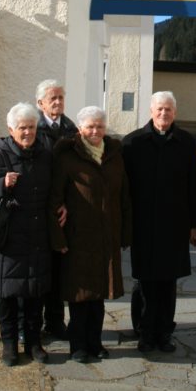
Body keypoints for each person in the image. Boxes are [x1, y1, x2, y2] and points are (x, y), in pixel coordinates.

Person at [0, 103, 53, 367]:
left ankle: (33, 343)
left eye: (31, 127)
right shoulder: (0, 155)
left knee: (34, 295)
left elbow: (54, 187)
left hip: (37, 238)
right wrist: (1, 184)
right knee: (6, 299)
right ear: (11, 130)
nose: (28, 132)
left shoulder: (45, 154)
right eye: (22, 128)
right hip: (7, 240)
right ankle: (9, 346)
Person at [49, 106, 131, 363]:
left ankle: (95, 343)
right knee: (80, 295)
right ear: (80, 129)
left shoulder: (114, 155)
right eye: (90, 127)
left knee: (99, 295)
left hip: (107, 236)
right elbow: (55, 198)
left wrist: (125, 232)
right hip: (78, 237)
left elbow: (124, 196)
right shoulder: (68, 156)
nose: (95, 131)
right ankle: (78, 346)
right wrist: (58, 236)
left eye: (100, 127)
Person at [122, 91, 196, 353]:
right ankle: (144, 332)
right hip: (143, 224)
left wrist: (194, 223)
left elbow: (193, 185)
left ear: (175, 113)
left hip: (174, 224)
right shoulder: (132, 143)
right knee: (144, 280)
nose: (163, 114)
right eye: (159, 109)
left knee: (168, 282)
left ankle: (164, 332)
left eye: (168, 110)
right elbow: (124, 188)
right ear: (151, 111)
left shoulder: (186, 142)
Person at [35, 79, 78, 339]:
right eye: (53, 98)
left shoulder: (72, 130)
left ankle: (55, 321)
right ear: (40, 103)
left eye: (61, 98)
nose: (58, 102)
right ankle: (31, 323)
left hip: (63, 211)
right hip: (39, 209)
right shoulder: (33, 130)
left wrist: (68, 204)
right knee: (39, 268)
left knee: (59, 269)